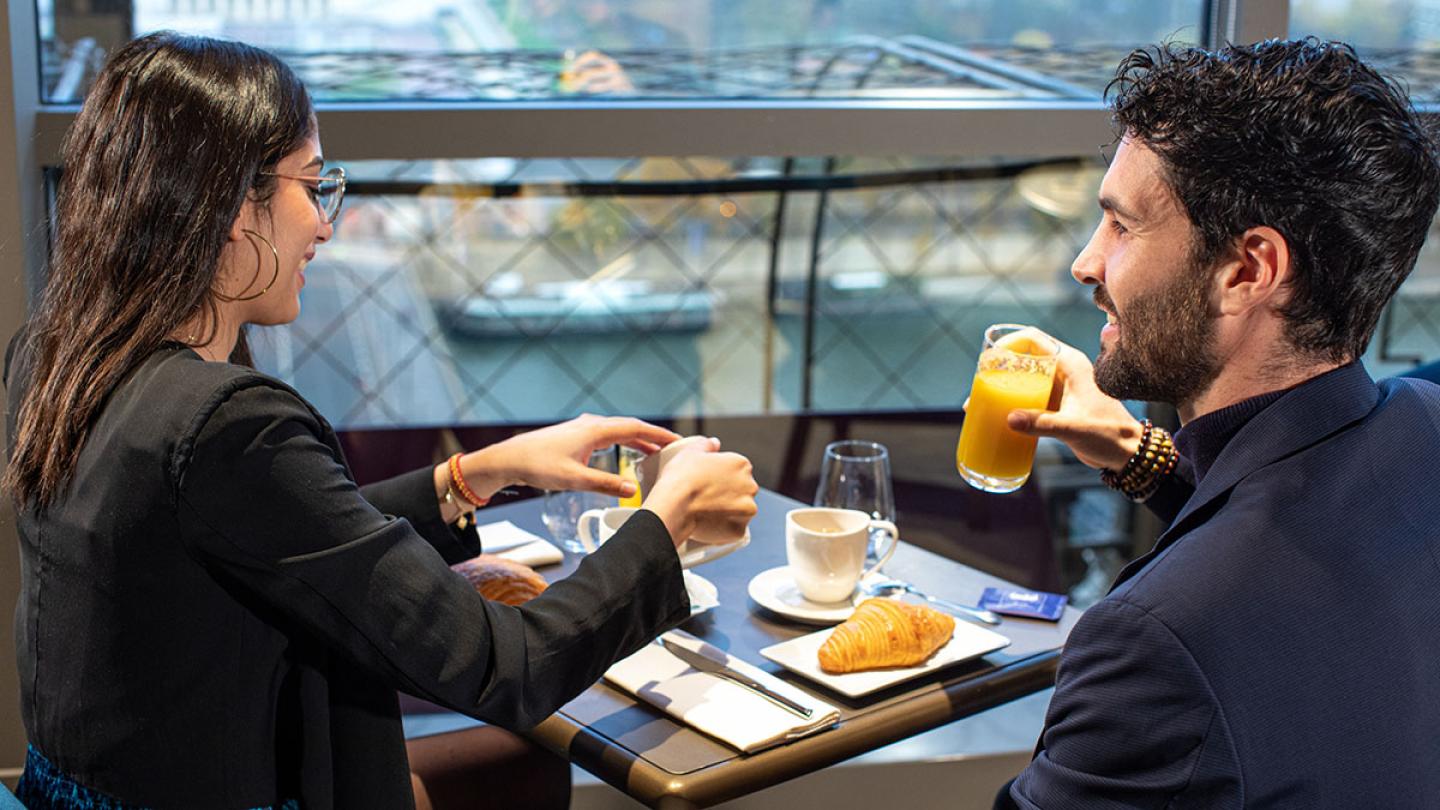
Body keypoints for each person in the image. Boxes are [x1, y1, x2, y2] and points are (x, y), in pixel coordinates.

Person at [1, 32, 759, 809]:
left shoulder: (52, 362)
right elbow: (507, 666)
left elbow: (276, 533)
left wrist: (475, 475)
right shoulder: (225, 426)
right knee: (525, 761)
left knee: (522, 769)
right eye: (311, 184)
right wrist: (668, 521)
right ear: (231, 204)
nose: (326, 225)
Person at [991, 39, 1440, 807]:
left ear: (1247, 272)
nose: (1087, 263)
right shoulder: (1425, 425)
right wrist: (1145, 457)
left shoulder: (1154, 644)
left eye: (1122, 227)